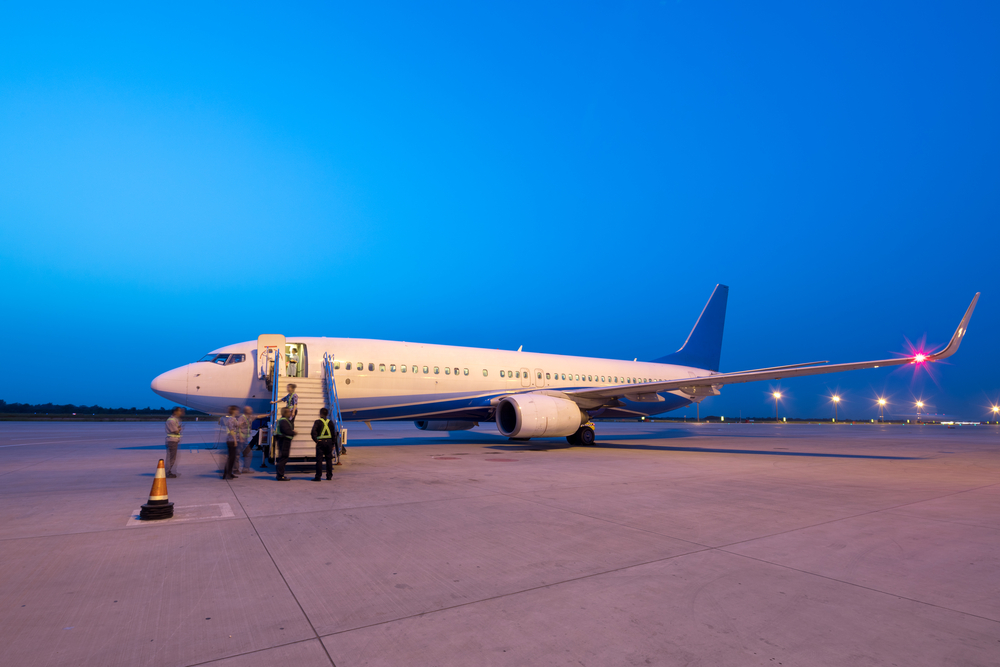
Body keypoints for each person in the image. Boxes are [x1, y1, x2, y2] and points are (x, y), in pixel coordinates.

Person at [311, 408, 337, 481]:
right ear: (327, 414)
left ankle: (318, 476)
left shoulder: (317, 422)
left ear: (320, 414)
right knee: (329, 459)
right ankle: (329, 476)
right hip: (329, 442)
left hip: (320, 442)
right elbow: (333, 434)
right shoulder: (330, 422)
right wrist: (333, 444)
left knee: (319, 460)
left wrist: (316, 440)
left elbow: (313, 432)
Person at [273, 407, 296, 481]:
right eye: (289, 412)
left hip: (282, 440)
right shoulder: (283, 421)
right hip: (284, 441)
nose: (290, 413)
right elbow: (286, 431)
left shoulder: (283, 420)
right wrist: (293, 432)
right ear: (285, 413)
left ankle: (280, 475)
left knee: (282, 458)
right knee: (283, 458)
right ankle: (280, 476)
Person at [219, 405, 240, 480]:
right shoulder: (231, 420)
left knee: (232, 458)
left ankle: (229, 473)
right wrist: (235, 441)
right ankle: (227, 474)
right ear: (234, 411)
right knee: (231, 458)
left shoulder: (234, 419)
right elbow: (231, 431)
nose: (238, 411)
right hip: (231, 440)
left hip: (233, 440)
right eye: (237, 410)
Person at [164, 407, 185, 478]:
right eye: (179, 411)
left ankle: (168, 471)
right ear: (175, 412)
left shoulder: (174, 419)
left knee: (171, 457)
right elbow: (176, 431)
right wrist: (179, 429)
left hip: (173, 440)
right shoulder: (171, 421)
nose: (180, 412)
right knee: (171, 458)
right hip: (172, 441)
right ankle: (168, 472)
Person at [237, 406, 255, 473]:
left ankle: (245, 469)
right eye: (250, 409)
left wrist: (269, 414)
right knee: (237, 454)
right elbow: (238, 427)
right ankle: (235, 469)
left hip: (245, 440)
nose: (252, 410)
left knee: (248, 454)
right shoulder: (242, 418)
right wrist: (241, 438)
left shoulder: (249, 417)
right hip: (241, 439)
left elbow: (258, 416)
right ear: (247, 411)